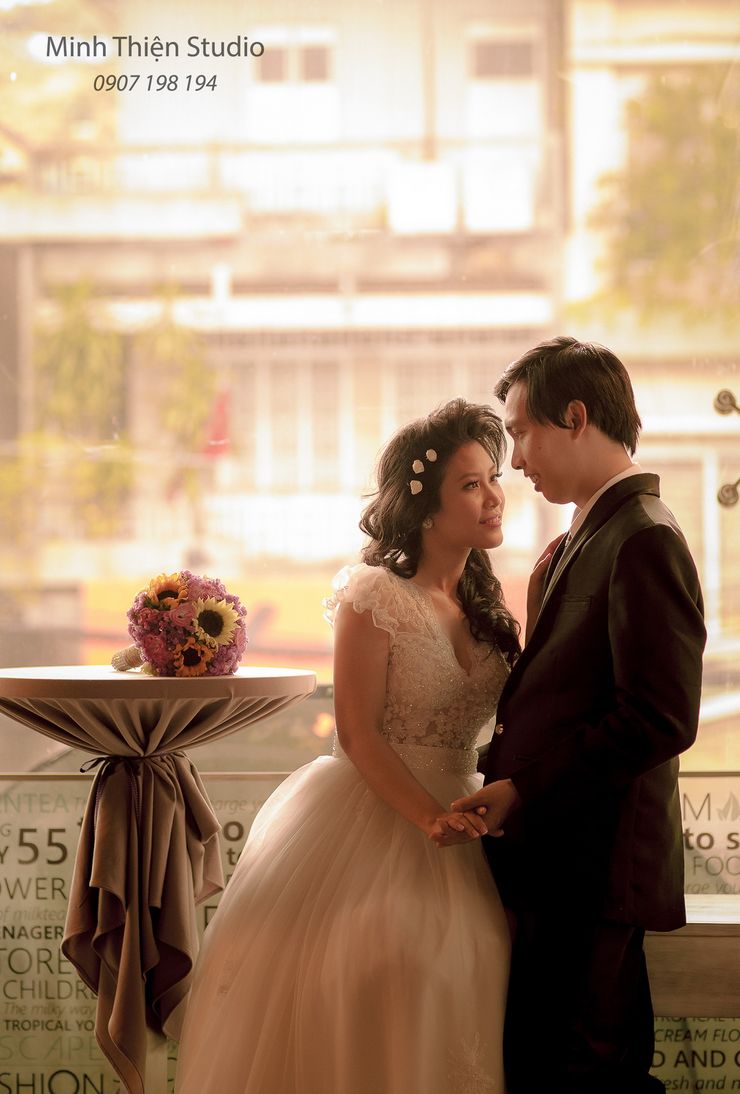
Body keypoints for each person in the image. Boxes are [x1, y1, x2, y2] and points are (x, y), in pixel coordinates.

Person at [175, 399, 520, 1094]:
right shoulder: (375, 595)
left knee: (474, 965)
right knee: (380, 961)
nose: (493, 497)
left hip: (467, 821)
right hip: (375, 815)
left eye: (494, 478)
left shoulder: (489, 611)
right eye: (470, 484)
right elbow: (358, 733)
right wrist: (428, 817)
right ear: (425, 509)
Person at [449, 337, 706, 1094]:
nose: (517, 460)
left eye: (522, 432)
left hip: (595, 870)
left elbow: (659, 716)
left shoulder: (644, 536)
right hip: (561, 867)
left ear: (576, 417)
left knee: (583, 1074)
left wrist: (526, 787)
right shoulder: (585, 534)